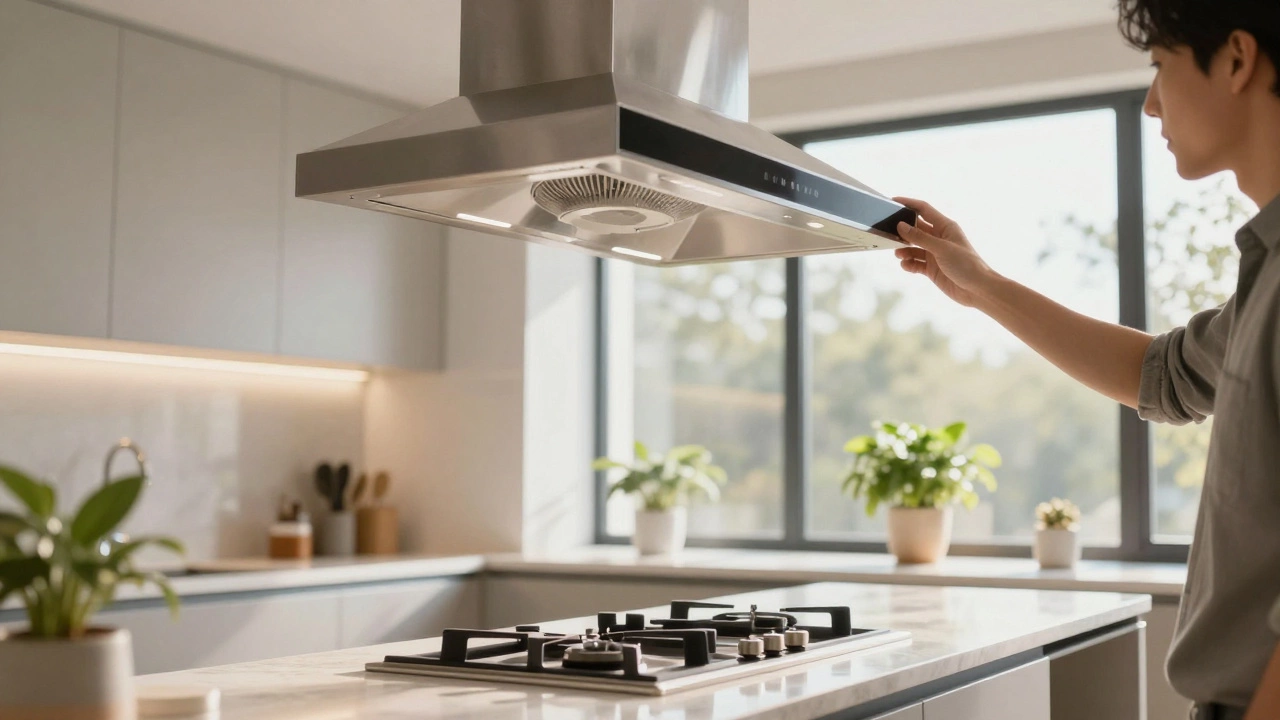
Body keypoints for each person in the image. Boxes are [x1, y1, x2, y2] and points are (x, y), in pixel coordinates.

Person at [889, 1, 1280, 718]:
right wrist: (982, 285)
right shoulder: (1268, 272)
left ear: (1236, 59)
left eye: (1161, 66)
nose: (1151, 103)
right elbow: (1162, 376)